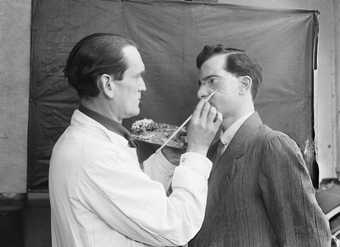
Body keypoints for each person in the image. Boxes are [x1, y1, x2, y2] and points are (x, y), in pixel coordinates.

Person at [48, 33, 222, 247]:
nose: (143, 87)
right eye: (137, 76)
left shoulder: (93, 142)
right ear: (108, 85)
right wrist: (197, 151)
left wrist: (167, 159)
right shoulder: (95, 154)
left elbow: (126, 195)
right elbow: (175, 227)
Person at [187, 45, 331, 247]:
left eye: (212, 81)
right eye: (201, 84)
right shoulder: (208, 153)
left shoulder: (272, 145)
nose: (201, 92)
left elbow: (307, 237)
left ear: (244, 85)